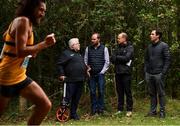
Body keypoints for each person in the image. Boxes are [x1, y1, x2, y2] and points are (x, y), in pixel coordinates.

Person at [0, 0, 56, 125]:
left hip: (19, 77)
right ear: (31, 7)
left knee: (45, 105)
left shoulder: (22, 21)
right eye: (41, 9)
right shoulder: (23, 21)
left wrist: (29, 52)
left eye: (44, 11)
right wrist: (44, 44)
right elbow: (20, 51)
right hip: (6, 78)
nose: (42, 13)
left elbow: (6, 37)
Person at [57, 38, 87, 120]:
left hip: (80, 79)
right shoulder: (66, 54)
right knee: (67, 98)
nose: (79, 45)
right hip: (70, 80)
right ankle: (61, 115)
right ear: (73, 45)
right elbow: (60, 64)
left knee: (76, 98)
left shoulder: (79, 54)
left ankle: (73, 114)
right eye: (78, 43)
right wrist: (62, 74)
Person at [144, 29, 171, 118]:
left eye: (152, 34)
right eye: (150, 34)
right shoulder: (149, 46)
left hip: (159, 74)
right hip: (149, 74)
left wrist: (163, 72)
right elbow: (146, 60)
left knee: (161, 93)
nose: (150, 35)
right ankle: (153, 111)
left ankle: (162, 112)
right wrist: (146, 71)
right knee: (152, 93)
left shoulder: (164, 46)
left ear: (158, 36)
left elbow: (167, 60)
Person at [84, 33, 110, 115]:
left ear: (99, 39)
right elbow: (85, 60)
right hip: (91, 75)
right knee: (92, 92)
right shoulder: (88, 49)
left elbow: (107, 62)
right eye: (92, 39)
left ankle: (101, 109)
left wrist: (102, 72)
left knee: (101, 91)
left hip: (100, 74)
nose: (92, 41)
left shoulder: (104, 48)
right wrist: (87, 69)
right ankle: (94, 110)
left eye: (94, 39)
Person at [111, 32, 134, 117]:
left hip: (126, 73)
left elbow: (127, 58)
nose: (117, 39)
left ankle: (129, 109)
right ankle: (120, 109)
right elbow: (112, 59)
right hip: (118, 73)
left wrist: (117, 58)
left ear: (124, 38)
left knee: (127, 92)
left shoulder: (130, 47)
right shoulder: (117, 48)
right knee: (119, 92)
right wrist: (120, 58)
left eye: (119, 38)